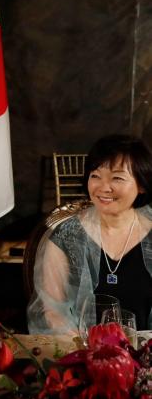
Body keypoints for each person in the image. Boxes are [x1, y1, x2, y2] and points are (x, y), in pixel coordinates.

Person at [28, 134, 152, 334]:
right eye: (95, 176)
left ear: (142, 185)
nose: (103, 188)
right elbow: (52, 311)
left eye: (117, 178)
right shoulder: (65, 237)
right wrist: (89, 353)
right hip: (83, 354)